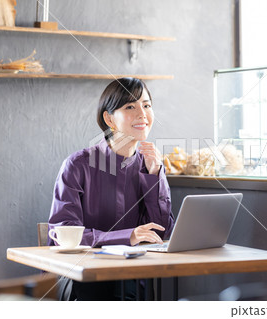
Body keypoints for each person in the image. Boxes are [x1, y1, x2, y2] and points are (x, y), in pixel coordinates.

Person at [48, 77, 175, 300]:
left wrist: (154, 176)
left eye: (146, 105)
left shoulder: (151, 166)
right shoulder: (78, 165)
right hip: (84, 283)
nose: (142, 114)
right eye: (130, 107)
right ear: (109, 119)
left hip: (134, 282)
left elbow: (162, 234)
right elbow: (64, 234)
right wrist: (129, 236)